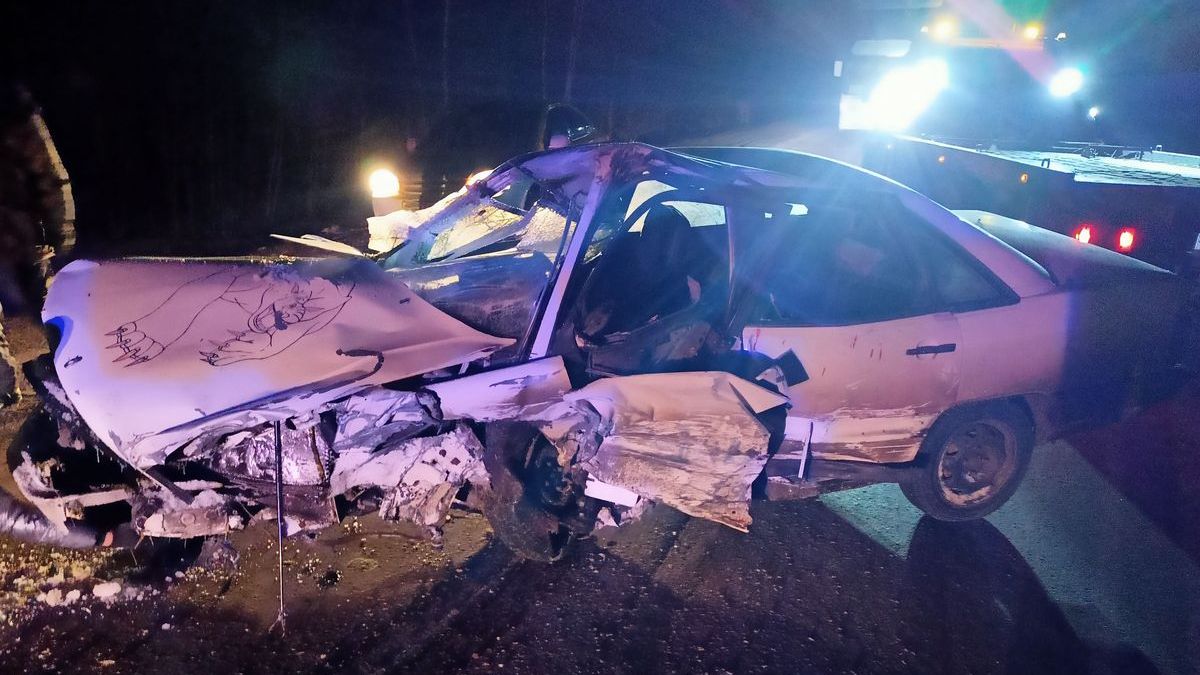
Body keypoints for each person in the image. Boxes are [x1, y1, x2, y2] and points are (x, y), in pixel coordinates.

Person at [0, 82, 75, 406]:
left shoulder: (14, 113)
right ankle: (4, 388)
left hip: (19, 241)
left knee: (50, 315)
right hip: (18, 238)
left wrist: (62, 236)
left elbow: (49, 177)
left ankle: (74, 385)